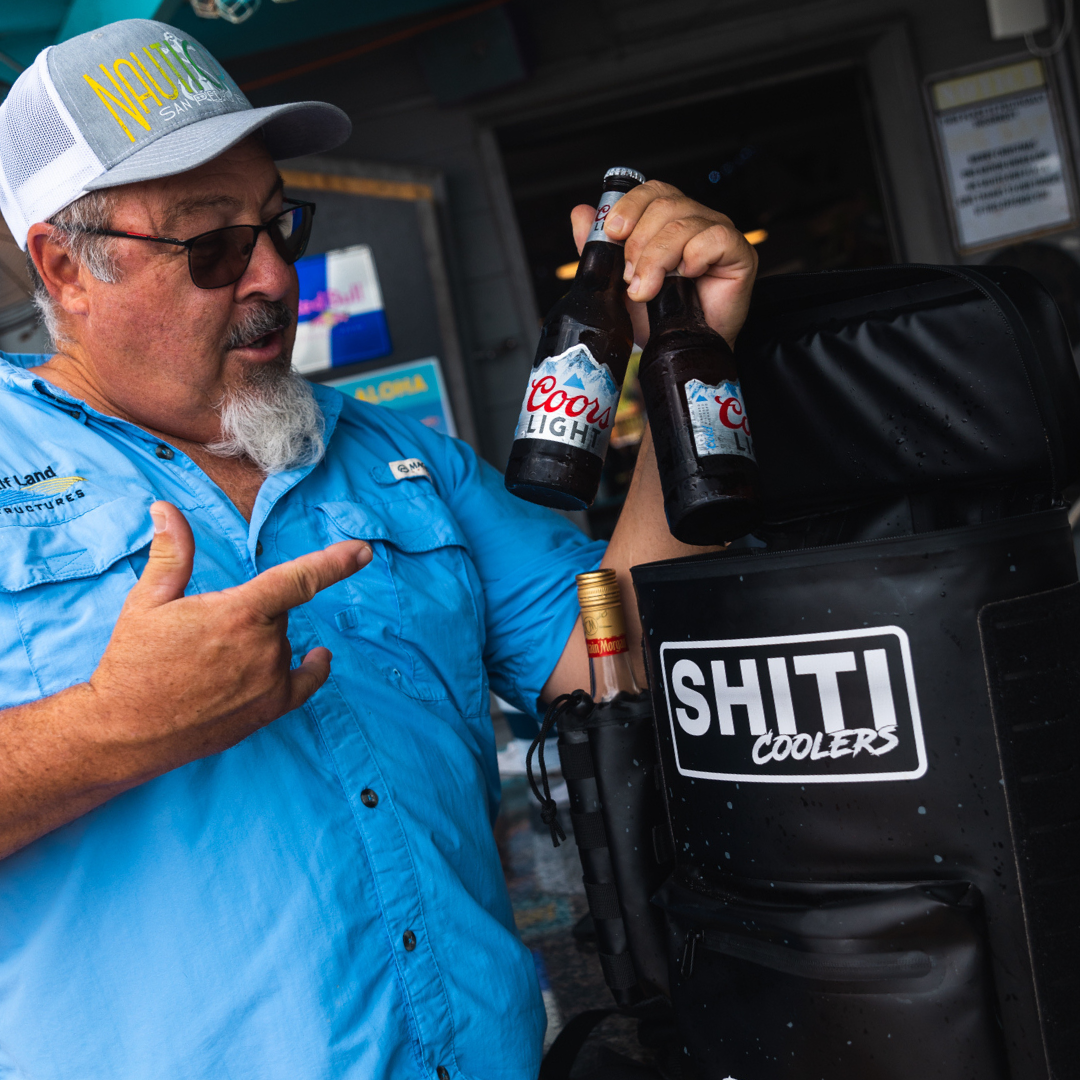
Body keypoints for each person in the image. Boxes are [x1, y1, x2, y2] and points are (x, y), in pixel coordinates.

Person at [0, 18, 757, 1080]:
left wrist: (694, 362)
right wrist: (111, 730)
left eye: (280, 226)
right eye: (211, 245)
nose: (271, 277)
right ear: (66, 269)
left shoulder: (403, 458)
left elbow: (615, 664)